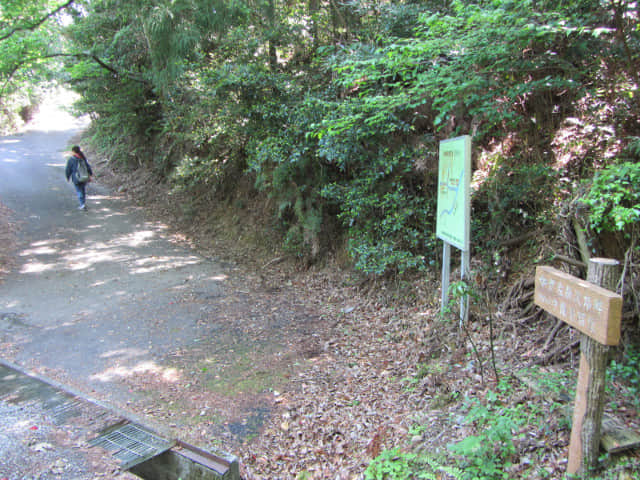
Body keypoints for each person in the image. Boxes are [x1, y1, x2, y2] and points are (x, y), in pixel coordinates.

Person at [65, 145, 93, 210]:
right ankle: (83, 203)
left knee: (79, 190)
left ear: (73, 151)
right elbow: (88, 167)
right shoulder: (82, 157)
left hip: (76, 178)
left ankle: (82, 204)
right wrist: (90, 175)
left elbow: (68, 169)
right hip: (84, 177)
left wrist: (67, 177)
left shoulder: (71, 159)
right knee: (82, 190)